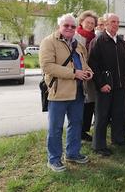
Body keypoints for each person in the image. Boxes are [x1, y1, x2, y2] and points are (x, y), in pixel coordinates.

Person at [39, 13, 93, 172]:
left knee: (76, 124)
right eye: (66, 25)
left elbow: (84, 64)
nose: (69, 28)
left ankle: (72, 153)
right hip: (59, 93)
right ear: (59, 27)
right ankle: (54, 159)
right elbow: (47, 66)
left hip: (78, 92)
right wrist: (74, 73)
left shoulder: (78, 44)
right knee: (55, 128)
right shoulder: (48, 42)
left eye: (73, 26)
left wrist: (89, 72)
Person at [88, 13, 125, 156]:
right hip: (105, 86)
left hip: (120, 86)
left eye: (117, 22)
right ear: (105, 24)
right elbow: (93, 65)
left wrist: (124, 80)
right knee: (102, 116)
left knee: (120, 114)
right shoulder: (98, 41)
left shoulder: (122, 43)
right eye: (113, 22)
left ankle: (119, 139)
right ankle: (98, 146)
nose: (116, 24)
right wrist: (101, 84)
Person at [74, 10, 98, 142]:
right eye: (87, 22)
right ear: (81, 22)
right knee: (81, 104)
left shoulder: (94, 37)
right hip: (79, 74)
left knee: (90, 103)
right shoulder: (76, 37)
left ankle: (84, 130)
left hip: (91, 75)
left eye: (92, 23)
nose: (89, 25)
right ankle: (79, 131)